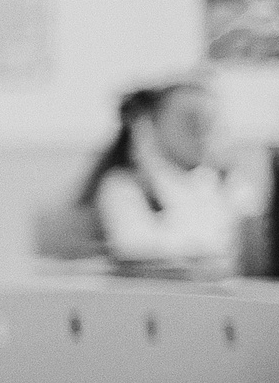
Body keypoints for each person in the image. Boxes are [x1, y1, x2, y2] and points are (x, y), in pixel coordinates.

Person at [74, 76, 264, 274]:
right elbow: (136, 248)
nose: (201, 131)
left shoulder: (228, 183)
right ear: (150, 125)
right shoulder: (125, 186)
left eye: (210, 121)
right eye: (189, 120)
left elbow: (258, 244)